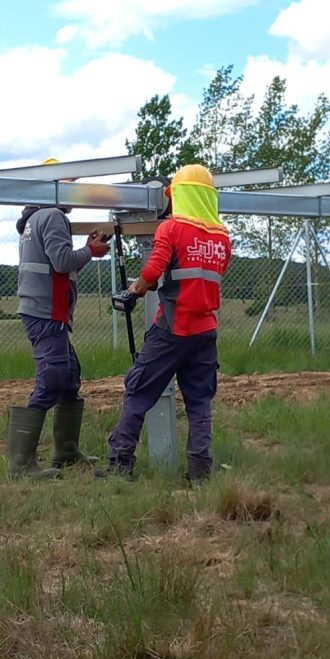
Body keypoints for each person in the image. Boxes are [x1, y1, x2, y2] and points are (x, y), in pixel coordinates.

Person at [104, 163, 232, 481]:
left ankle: (120, 464)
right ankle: (200, 474)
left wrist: (136, 288)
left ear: (177, 195)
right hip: (205, 331)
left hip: (172, 328)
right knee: (199, 404)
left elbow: (153, 270)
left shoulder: (171, 229)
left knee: (138, 392)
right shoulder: (222, 237)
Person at [8, 160, 110, 478]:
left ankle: (65, 452)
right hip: (47, 312)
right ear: (53, 187)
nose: (73, 193)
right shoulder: (52, 215)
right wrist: (91, 251)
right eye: (68, 186)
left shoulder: (33, 218)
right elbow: (63, 262)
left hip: (44, 311)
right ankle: (21, 464)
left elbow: (59, 264)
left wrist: (86, 249)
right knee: (53, 378)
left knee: (69, 377)